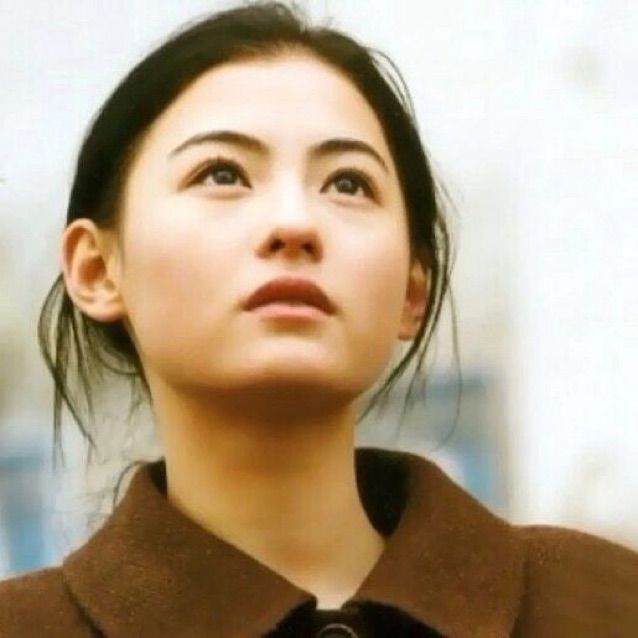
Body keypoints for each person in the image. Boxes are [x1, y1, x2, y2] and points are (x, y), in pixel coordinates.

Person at [1, 2, 637, 636]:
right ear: (96, 269)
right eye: (221, 173)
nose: (295, 223)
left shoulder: (603, 602)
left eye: (348, 184)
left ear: (412, 290)